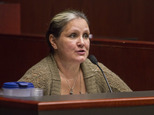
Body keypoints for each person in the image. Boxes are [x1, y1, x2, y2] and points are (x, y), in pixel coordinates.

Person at [18, 10, 132, 95]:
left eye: (86, 36)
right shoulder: (40, 76)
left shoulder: (96, 70)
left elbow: (132, 101)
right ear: (53, 41)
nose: (82, 42)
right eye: (73, 35)